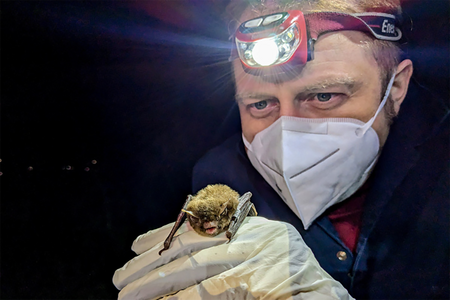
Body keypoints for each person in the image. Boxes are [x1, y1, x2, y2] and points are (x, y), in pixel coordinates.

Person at [114, 0, 450, 299]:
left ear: (397, 87)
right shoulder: (220, 173)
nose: (287, 133)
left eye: (323, 97)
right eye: (260, 104)